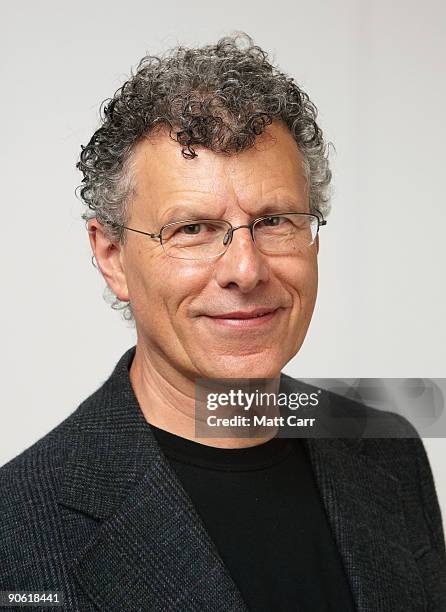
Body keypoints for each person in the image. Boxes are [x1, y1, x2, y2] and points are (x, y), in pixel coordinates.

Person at [1, 33, 445, 612]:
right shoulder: (18, 529)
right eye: (192, 229)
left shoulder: (391, 453)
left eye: (275, 220)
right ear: (112, 258)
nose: (246, 268)